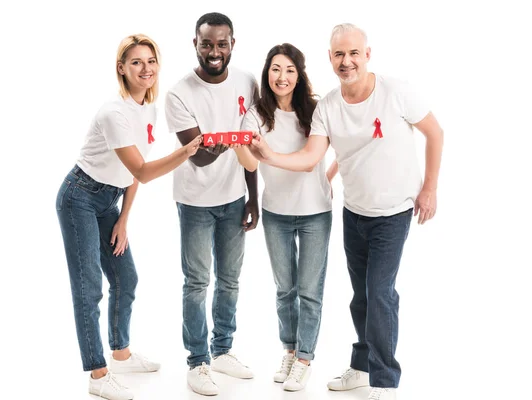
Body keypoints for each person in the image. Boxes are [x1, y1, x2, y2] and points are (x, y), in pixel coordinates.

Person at [249, 23, 444, 400]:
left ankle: (384, 380)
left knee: (380, 292)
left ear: (367, 55)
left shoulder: (396, 92)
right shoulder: (328, 107)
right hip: (354, 213)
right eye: (339, 54)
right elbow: (312, 156)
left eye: (354, 53)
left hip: (394, 212)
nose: (347, 61)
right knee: (361, 296)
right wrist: (269, 155)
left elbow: (435, 133)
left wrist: (430, 188)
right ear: (329, 59)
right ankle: (361, 365)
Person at [55, 34, 202, 400]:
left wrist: (123, 219)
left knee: (126, 277)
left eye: (150, 61)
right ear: (122, 69)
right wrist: (185, 152)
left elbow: (134, 175)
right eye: (136, 62)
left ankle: (120, 353)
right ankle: (98, 373)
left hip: (110, 201)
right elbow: (144, 168)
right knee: (89, 287)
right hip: (80, 198)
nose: (145, 68)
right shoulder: (114, 112)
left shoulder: (147, 110)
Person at [164, 12, 259, 397]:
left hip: (235, 197)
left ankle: (222, 351)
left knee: (231, 280)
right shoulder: (178, 93)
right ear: (195, 45)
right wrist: (219, 145)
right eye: (207, 44)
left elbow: (250, 146)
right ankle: (197, 361)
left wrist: (254, 196)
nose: (214, 51)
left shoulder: (248, 82)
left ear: (232, 44)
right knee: (197, 282)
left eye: (222, 44)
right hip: (195, 202)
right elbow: (198, 156)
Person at [240, 43, 332, 392]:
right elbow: (250, 163)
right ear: (267, 73)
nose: (282, 77)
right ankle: (290, 351)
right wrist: (244, 148)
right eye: (276, 69)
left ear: (300, 74)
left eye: (290, 70)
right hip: (276, 212)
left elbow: (318, 156)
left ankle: (305, 359)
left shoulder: (317, 109)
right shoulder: (256, 115)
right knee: (285, 289)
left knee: (310, 291)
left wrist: (328, 178)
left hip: (315, 214)